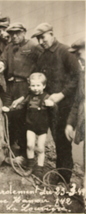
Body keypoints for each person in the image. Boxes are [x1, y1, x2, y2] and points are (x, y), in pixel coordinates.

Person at [31, 23, 79, 185]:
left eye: (42, 37)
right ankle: (60, 172)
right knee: (57, 141)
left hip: (65, 106)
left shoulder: (66, 51)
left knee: (63, 143)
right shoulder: (43, 56)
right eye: (38, 39)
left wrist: (61, 94)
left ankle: (64, 178)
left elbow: (76, 78)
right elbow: (38, 79)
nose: (41, 41)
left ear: (51, 34)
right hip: (49, 106)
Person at [0, 22, 42, 158]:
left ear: (24, 32)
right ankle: (9, 149)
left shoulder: (33, 46)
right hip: (10, 87)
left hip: (25, 87)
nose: (14, 36)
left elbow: (42, 64)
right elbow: (2, 59)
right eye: (11, 34)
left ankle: (23, 152)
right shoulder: (9, 47)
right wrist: (0, 64)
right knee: (8, 115)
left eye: (17, 33)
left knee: (23, 118)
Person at [2, 73, 55, 179]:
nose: (35, 88)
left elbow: (55, 111)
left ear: (43, 86)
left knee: (40, 148)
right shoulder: (29, 97)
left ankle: (39, 169)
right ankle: (30, 167)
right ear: (29, 86)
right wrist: (9, 109)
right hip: (30, 126)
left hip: (42, 128)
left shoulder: (47, 97)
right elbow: (21, 106)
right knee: (30, 145)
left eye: (38, 85)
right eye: (33, 86)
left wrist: (52, 105)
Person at [65, 38, 85, 192]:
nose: (78, 59)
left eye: (79, 54)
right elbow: (78, 100)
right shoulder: (82, 74)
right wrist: (70, 123)